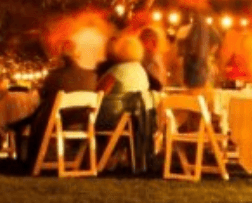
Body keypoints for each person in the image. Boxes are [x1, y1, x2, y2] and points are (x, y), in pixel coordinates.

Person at [18, 40, 98, 171]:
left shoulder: (55, 75)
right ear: (78, 55)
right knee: (39, 115)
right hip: (83, 119)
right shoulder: (92, 76)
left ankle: (31, 162)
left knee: (38, 118)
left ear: (61, 57)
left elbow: (43, 94)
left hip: (58, 119)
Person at [96, 35, 155, 172]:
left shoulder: (117, 71)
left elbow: (99, 92)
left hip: (115, 117)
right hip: (137, 118)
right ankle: (113, 157)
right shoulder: (141, 70)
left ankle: (96, 160)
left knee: (90, 118)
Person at [139, 26, 166, 91]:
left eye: (156, 40)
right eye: (152, 41)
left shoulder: (157, 57)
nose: (155, 44)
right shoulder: (142, 61)